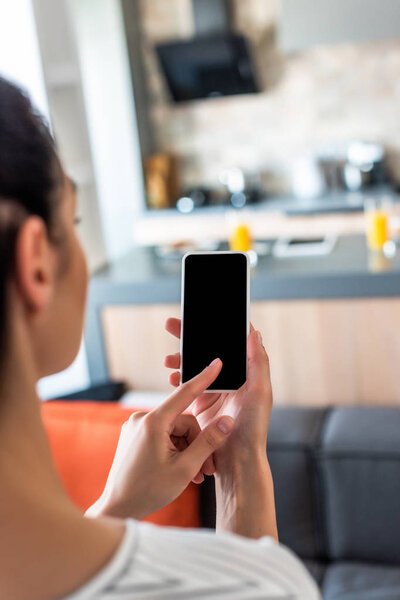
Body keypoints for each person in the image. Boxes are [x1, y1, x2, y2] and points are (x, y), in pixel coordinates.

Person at [0, 76, 320, 600]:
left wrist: (112, 508)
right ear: (35, 264)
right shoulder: (255, 586)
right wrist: (241, 465)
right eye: (74, 220)